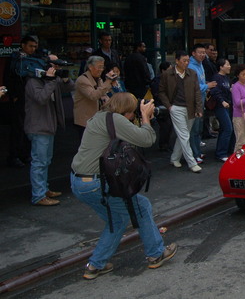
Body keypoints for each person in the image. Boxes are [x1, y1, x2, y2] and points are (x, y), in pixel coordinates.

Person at [70, 93, 178, 279]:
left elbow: (127, 134)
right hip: (96, 183)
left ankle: (95, 266)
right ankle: (156, 253)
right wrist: (145, 117)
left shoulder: (101, 116)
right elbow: (146, 139)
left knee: (117, 220)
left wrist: (143, 120)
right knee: (141, 207)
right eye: (133, 111)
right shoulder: (116, 120)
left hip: (79, 182)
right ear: (127, 111)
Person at [25, 55, 75, 206]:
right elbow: (42, 98)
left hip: (48, 126)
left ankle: (44, 189)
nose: (57, 68)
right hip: (39, 127)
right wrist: (50, 80)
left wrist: (65, 79)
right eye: (54, 65)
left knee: (45, 161)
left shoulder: (51, 79)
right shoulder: (33, 81)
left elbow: (69, 87)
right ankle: (38, 195)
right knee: (39, 162)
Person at [158, 51, 203, 173]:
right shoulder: (167, 74)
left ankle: (174, 158)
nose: (186, 63)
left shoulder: (192, 74)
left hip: (190, 108)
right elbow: (161, 91)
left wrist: (199, 108)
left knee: (183, 134)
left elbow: (197, 92)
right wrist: (169, 106)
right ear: (177, 61)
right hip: (176, 107)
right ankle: (192, 162)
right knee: (184, 135)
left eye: (188, 60)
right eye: (184, 60)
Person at [3, 34, 39, 167]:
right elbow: (8, 78)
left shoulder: (34, 58)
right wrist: (13, 95)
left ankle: (25, 154)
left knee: (29, 127)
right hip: (19, 97)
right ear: (23, 45)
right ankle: (14, 156)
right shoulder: (15, 59)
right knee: (18, 128)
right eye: (30, 46)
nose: (33, 49)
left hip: (31, 97)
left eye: (35, 46)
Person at [188, 43, 217, 163]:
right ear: (193, 53)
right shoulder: (191, 66)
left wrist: (206, 87)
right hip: (194, 102)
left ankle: (198, 152)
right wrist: (206, 86)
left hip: (201, 101)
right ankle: (194, 155)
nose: (202, 55)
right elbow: (191, 86)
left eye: (203, 52)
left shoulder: (200, 65)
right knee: (194, 130)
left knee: (198, 129)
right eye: (199, 53)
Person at [74, 56, 116, 139]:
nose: (101, 69)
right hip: (85, 121)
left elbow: (103, 94)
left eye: (102, 67)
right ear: (90, 67)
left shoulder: (98, 79)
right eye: (99, 67)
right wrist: (107, 81)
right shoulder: (82, 80)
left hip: (97, 120)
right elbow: (93, 96)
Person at [210, 58, 235, 162]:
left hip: (228, 105)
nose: (229, 66)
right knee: (228, 128)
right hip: (220, 106)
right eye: (227, 64)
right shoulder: (217, 77)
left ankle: (229, 149)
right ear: (221, 67)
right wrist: (222, 101)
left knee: (227, 128)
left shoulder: (226, 78)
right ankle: (221, 153)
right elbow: (215, 92)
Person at [151, 61, 174, 151]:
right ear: (163, 70)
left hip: (168, 105)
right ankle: (163, 144)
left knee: (169, 126)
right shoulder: (157, 81)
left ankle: (166, 144)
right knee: (165, 125)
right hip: (161, 106)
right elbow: (157, 94)